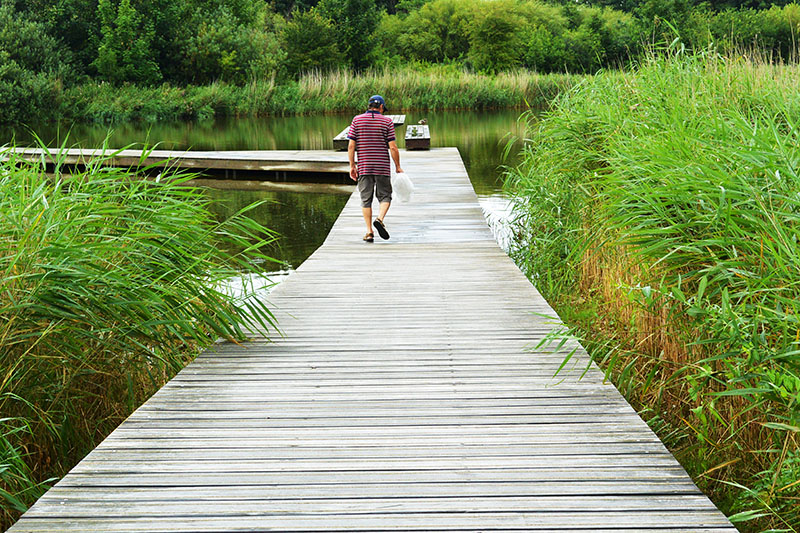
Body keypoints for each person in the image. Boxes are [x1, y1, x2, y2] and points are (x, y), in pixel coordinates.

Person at [347, 94, 403, 242]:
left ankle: (369, 232)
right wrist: (398, 166)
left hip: (364, 166)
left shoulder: (357, 120)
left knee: (366, 199)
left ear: (369, 106)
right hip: (382, 166)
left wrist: (352, 165)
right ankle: (379, 219)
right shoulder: (387, 122)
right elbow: (393, 147)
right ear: (381, 107)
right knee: (385, 196)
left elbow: (351, 145)